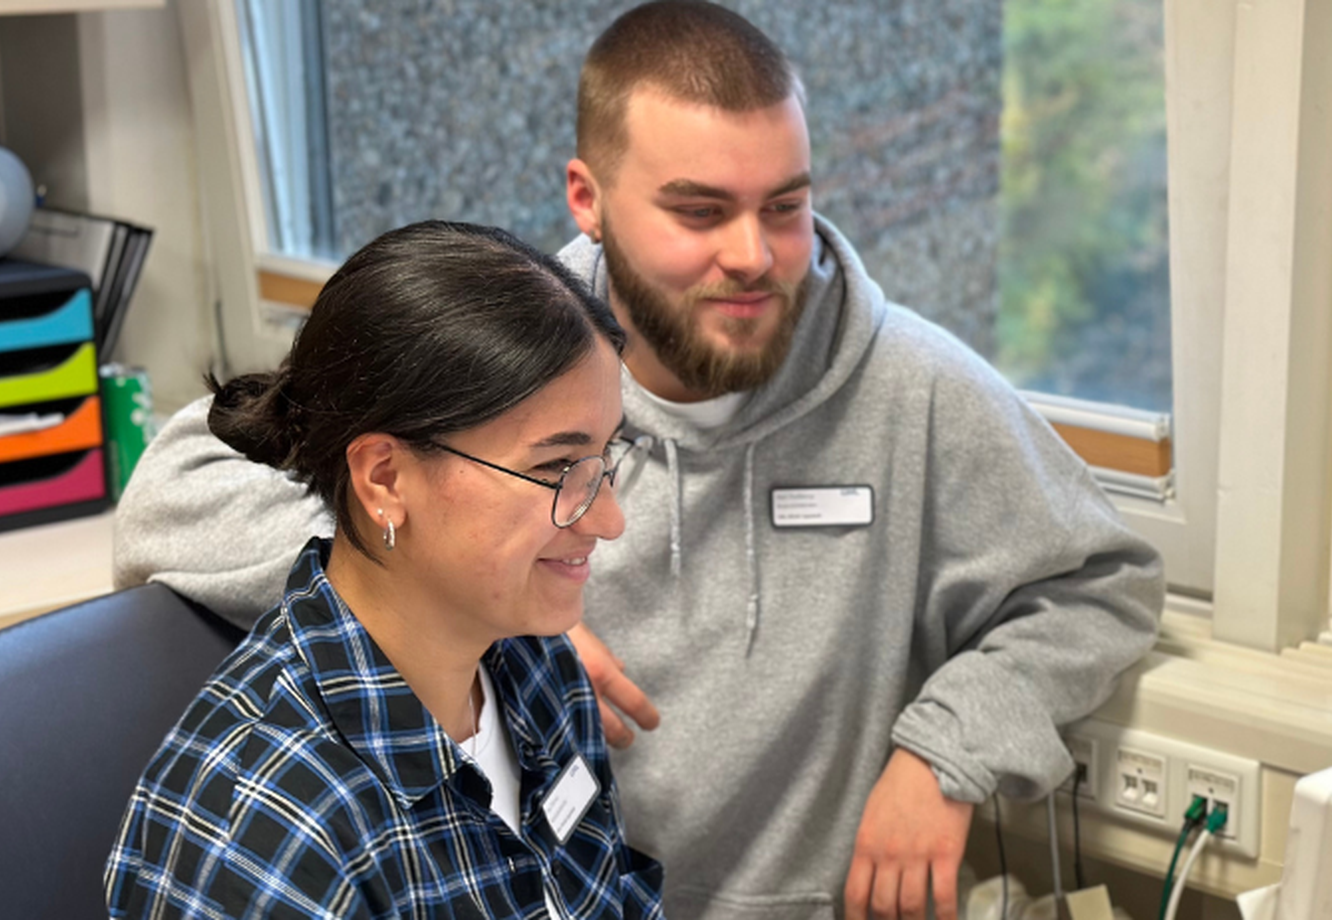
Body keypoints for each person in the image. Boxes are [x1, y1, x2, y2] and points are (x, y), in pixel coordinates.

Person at [115, 3, 1165, 919]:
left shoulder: (914, 388)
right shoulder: (493, 368)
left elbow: (1099, 579)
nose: (752, 254)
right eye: (699, 210)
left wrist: (948, 748)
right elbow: (182, 490)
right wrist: (451, 587)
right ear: (589, 198)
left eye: (786, 206)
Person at [105, 221, 663, 919]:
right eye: (556, 468)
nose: (608, 518)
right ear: (385, 479)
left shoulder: (538, 669)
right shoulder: (270, 832)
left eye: (604, 459)